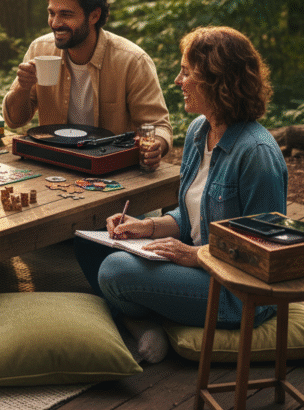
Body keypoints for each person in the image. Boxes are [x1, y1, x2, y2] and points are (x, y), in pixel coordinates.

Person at [74, 26, 288, 363]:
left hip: (236, 291)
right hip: (196, 267)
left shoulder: (256, 153)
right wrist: (149, 227)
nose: (178, 81)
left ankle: (142, 323)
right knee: (93, 239)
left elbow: (266, 252)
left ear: (217, 80)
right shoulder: (198, 131)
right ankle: (149, 324)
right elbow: (191, 217)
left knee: (115, 270)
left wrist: (194, 255)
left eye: (186, 72)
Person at [3, 0, 171, 168]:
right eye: (51, 13)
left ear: (94, 16)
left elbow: (158, 126)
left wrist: (155, 147)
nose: (55, 23)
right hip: (53, 163)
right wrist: (22, 87)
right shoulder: (39, 49)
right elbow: (14, 120)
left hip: (110, 171)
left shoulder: (132, 61)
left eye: (65, 14)